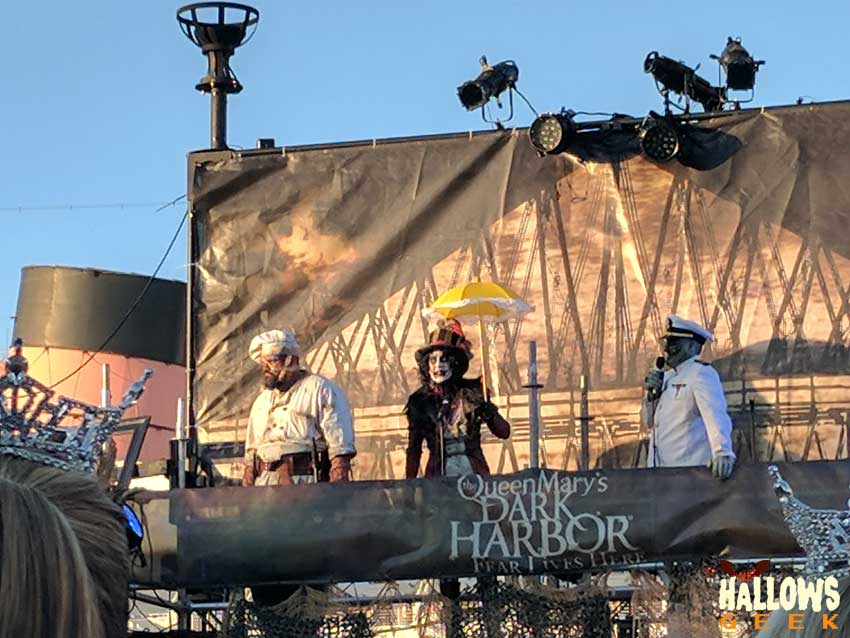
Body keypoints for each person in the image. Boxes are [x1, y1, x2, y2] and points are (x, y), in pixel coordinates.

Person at [242, 328, 356, 487]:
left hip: (305, 483)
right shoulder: (262, 401)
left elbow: (340, 451)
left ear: (290, 360)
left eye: (272, 360)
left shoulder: (320, 389)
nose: (265, 368)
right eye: (262, 363)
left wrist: (335, 494)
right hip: (265, 486)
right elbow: (250, 457)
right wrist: (247, 495)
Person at [405, 318, 510, 480]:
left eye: (444, 359)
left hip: (474, 476)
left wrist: (487, 409)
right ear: (427, 365)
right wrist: (409, 490)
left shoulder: (473, 393)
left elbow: (504, 432)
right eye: (433, 360)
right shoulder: (419, 402)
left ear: (455, 363)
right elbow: (414, 449)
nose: (438, 366)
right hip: (438, 482)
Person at [643, 315, 736, 479]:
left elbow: (714, 414)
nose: (667, 350)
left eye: (674, 344)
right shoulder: (667, 377)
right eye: (667, 344)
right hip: (661, 471)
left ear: (692, 347)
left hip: (689, 471)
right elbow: (649, 422)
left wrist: (722, 451)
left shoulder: (700, 373)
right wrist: (651, 396)